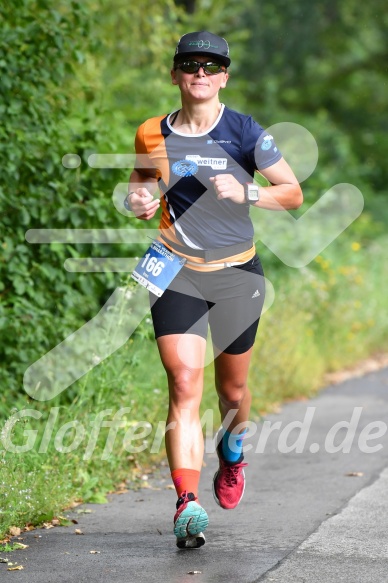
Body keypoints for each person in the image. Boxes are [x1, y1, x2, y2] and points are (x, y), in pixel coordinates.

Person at [126, 31, 303, 549]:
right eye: (190, 63)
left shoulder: (246, 132)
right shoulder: (151, 132)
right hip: (176, 268)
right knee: (183, 382)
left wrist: (249, 190)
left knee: (231, 393)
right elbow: (143, 181)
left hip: (236, 273)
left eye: (211, 65)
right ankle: (186, 501)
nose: (200, 73)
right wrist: (138, 198)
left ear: (225, 75)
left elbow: (291, 194)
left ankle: (232, 449)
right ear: (176, 73)